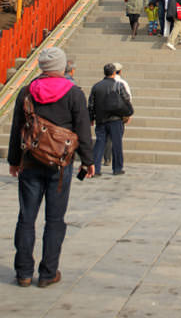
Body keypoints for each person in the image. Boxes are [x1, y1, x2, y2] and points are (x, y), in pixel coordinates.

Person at [8, 46, 94, 288]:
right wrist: (88, 160)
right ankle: (48, 273)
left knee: (26, 217)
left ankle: (23, 272)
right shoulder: (74, 93)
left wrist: (14, 161)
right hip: (61, 165)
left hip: (30, 161)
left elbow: (18, 129)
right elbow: (83, 129)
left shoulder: (26, 91)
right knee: (55, 219)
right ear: (62, 67)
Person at [89, 63, 133, 177]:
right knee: (117, 143)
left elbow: (91, 104)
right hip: (116, 119)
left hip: (101, 119)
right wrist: (128, 113)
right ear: (114, 73)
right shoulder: (119, 85)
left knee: (99, 143)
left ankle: (96, 169)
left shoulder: (96, 86)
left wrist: (91, 118)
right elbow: (126, 99)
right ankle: (117, 168)